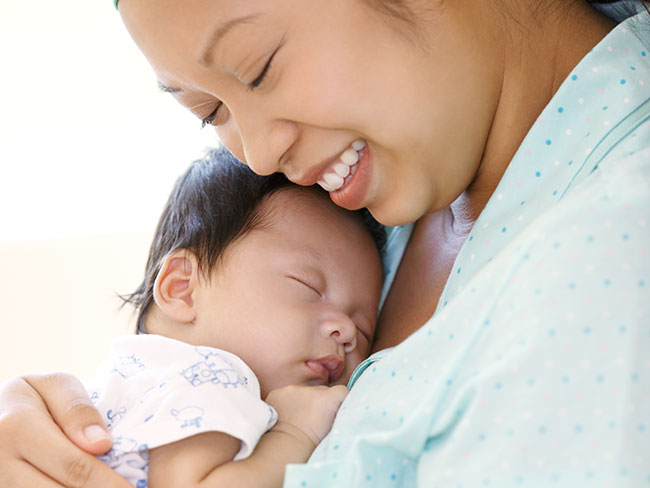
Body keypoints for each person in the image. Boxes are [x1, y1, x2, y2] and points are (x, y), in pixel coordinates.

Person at [0, 0, 649, 486]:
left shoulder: (614, 257)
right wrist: (53, 442)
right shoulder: (366, 204)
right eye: (210, 112)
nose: (258, 155)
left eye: (258, 69)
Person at [84, 146, 385, 488]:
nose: (346, 330)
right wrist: (294, 432)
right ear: (183, 289)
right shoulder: (210, 375)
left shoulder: (134, 378)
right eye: (308, 286)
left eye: (364, 329)